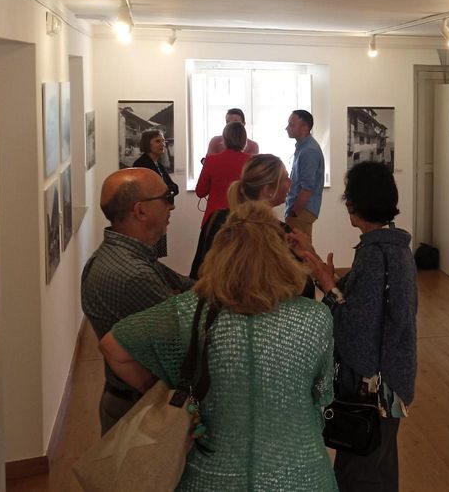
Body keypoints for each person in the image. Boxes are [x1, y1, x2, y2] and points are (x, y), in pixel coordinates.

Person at [98, 201, 336, 491]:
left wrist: (164, 393)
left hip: (210, 473)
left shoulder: (187, 311)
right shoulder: (315, 317)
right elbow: (322, 394)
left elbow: (113, 346)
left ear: (220, 252)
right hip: (301, 472)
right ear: (281, 256)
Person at [296, 162, 418, 492]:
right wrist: (328, 280)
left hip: (374, 390)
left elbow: (358, 334)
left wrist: (330, 293)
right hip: (393, 381)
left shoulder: (375, 256)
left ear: (355, 203)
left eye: (348, 197)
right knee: (381, 469)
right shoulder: (395, 248)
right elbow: (367, 308)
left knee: (356, 475)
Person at [81, 168, 193, 433]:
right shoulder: (133, 274)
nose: (172, 206)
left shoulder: (126, 255)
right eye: (166, 198)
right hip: (140, 412)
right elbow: (184, 338)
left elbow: (186, 287)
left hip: (129, 402)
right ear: (140, 211)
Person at [195, 122, 253, 229]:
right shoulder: (252, 162)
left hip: (214, 219)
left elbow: (200, 191)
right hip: (243, 219)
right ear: (245, 140)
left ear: (224, 140)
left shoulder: (211, 160)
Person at [132, 129, 180, 257]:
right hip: (147, 217)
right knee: (147, 254)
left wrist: (166, 191)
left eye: (163, 141)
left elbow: (175, 187)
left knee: (154, 255)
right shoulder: (141, 164)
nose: (162, 144)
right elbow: (146, 192)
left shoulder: (158, 165)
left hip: (158, 214)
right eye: (158, 141)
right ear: (148, 144)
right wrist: (167, 190)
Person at [284, 109, 324, 239]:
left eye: (291, 125)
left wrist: (294, 213)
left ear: (305, 128)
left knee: (300, 252)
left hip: (301, 211)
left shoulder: (309, 151)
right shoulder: (303, 148)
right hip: (299, 210)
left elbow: (307, 189)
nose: (287, 128)